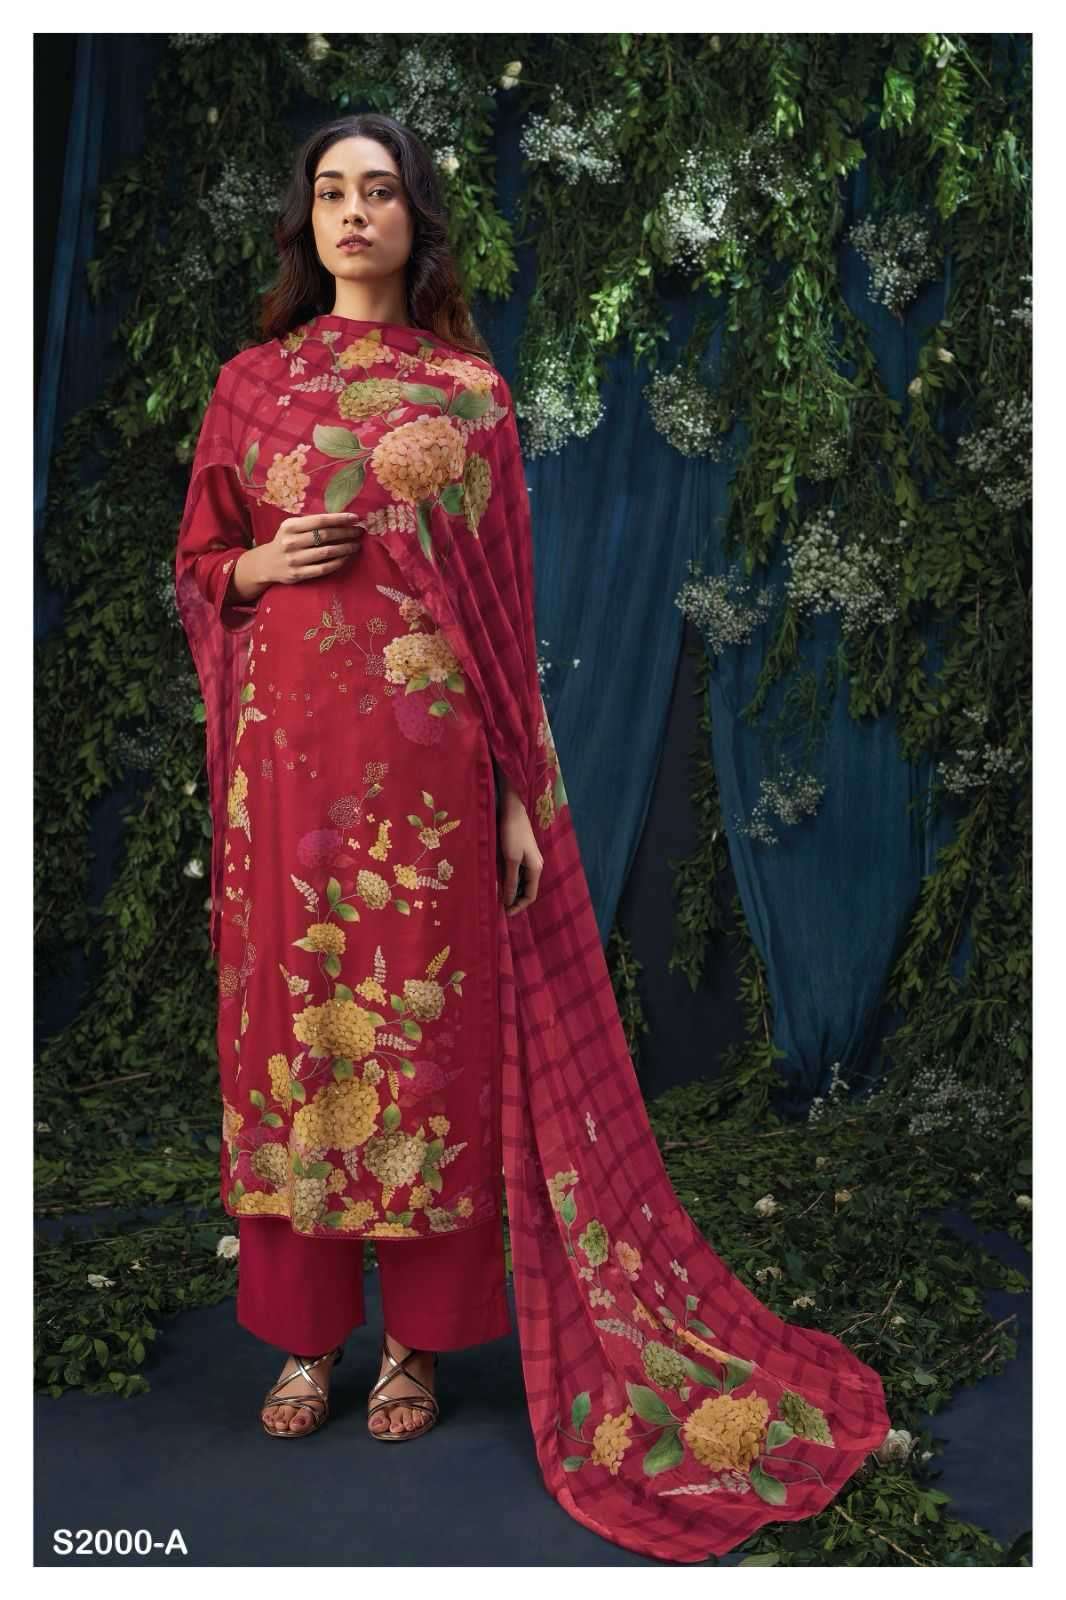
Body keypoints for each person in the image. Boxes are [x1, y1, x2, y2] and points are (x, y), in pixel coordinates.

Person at [174, 112, 890, 1562]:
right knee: (295, 1038)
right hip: (281, 774)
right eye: (332, 192)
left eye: (380, 191)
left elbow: (502, 616)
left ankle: (417, 1345)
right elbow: (199, 565)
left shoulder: (468, 396)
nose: (354, 213)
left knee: (425, 1047)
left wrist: (513, 795)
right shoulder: (251, 386)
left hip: (427, 774)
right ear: (306, 221)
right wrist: (254, 564)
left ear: (415, 220)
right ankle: (305, 1338)